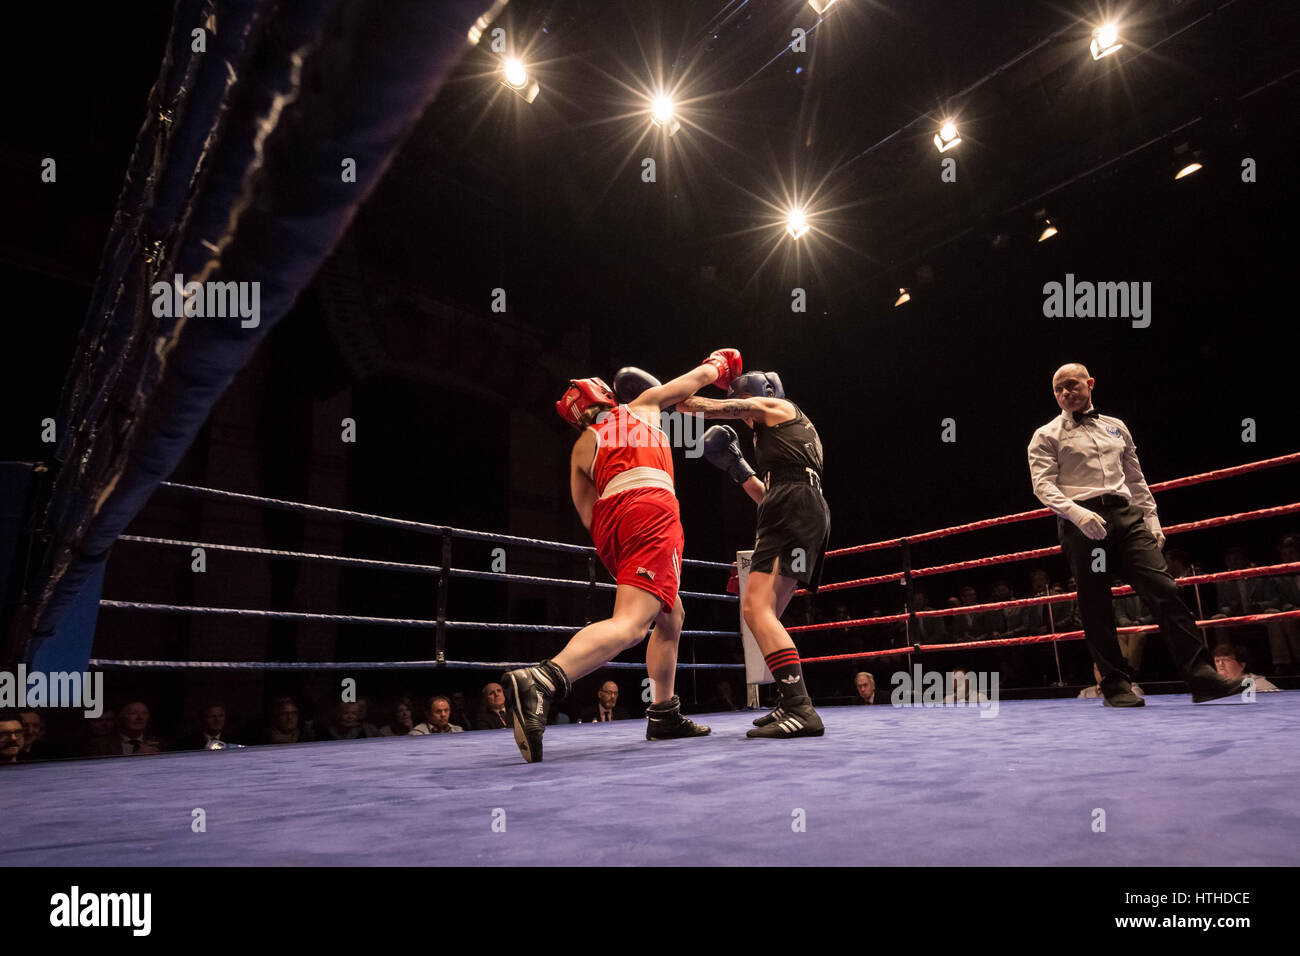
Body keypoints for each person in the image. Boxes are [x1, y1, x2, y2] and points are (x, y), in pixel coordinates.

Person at [501, 355, 734, 762]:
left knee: (670, 615)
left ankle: (663, 714)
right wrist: (723, 362)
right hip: (650, 509)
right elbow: (695, 379)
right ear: (606, 395)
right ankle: (542, 679)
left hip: (612, 528)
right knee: (632, 625)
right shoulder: (640, 406)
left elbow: (589, 515)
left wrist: (625, 535)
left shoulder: (579, 448)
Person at [1027, 362, 1247, 707]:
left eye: (1072, 385)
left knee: (1165, 590)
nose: (1066, 393)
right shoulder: (1046, 435)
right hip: (1082, 525)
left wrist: (1152, 520)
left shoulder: (1117, 428)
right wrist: (1078, 513)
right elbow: (1042, 486)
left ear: (1090, 384)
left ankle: (1202, 677)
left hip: (1127, 518)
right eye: (1059, 389)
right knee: (1096, 604)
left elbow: (1135, 479)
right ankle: (1115, 686)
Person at [680, 368, 830, 739]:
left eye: (743, 402)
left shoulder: (774, 405)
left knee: (755, 610)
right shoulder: (786, 443)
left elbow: (696, 406)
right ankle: (789, 699)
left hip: (793, 509)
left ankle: (801, 708)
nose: (745, 415)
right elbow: (768, 495)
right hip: (800, 508)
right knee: (768, 615)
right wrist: (737, 466)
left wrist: (694, 379)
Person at [1212, 643, 1280, 692]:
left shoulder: (1257, 684)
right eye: (1217, 661)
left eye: (1226, 660)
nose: (1221, 664)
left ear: (1242, 665)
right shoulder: (1213, 686)